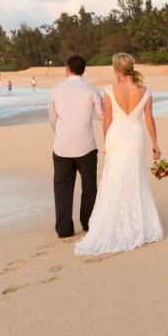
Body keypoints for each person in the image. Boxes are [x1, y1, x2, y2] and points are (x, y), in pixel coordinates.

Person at [75, 53, 163, 255]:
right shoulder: (146, 91)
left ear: (117, 71)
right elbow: (149, 120)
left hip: (116, 136)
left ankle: (114, 223)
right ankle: (138, 224)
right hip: (135, 136)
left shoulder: (109, 90)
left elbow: (107, 120)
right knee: (135, 178)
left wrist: (107, 142)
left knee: (114, 178)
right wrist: (156, 145)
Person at [49, 55, 104, 238]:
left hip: (62, 146)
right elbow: (102, 116)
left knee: (62, 187)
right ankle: (88, 223)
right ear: (83, 69)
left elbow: (53, 118)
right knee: (89, 187)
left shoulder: (56, 90)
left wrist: (61, 133)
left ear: (67, 69)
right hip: (86, 145)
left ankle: (64, 229)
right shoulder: (92, 91)